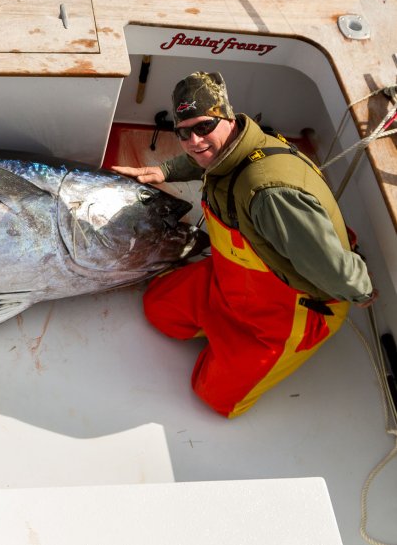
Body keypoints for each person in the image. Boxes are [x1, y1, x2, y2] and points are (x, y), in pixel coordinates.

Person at [112, 71, 375, 418]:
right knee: (158, 309)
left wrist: (362, 293)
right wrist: (166, 171)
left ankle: (239, 352)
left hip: (282, 315)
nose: (194, 140)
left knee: (212, 396)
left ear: (227, 118)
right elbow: (204, 157)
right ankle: (222, 335)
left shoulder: (270, 194)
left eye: (204, 127)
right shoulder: (236, 146)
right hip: (230, 283)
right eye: (183, 132)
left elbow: (331, 268)